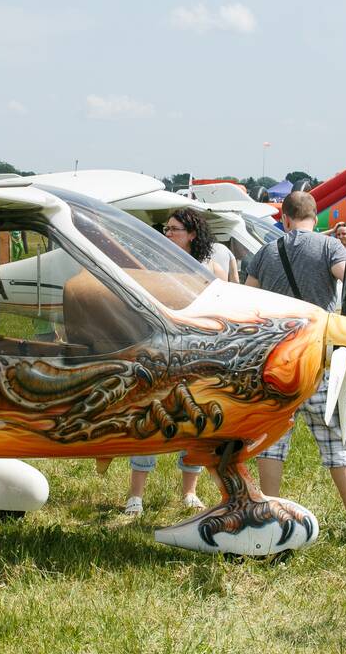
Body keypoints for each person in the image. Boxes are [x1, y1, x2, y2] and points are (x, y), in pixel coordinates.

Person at [246, 191, 346, 528]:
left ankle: (270, 512)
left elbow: (249, 304)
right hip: (318, 359)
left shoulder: (264, 252)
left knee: (272, 441)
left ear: (284, 218)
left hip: (275, 362)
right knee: (337, 438)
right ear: (314, 218)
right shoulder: (329, 247)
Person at [123, 208, 221, 515]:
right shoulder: (153, 267)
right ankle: (135, 496)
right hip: (159, 354)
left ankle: (189, 492)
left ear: (192, 234)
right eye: (166, 229)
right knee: (151, 419)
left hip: (195, 355)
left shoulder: (210, 270)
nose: (167, 234)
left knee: (193, 424)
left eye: (174, 229)